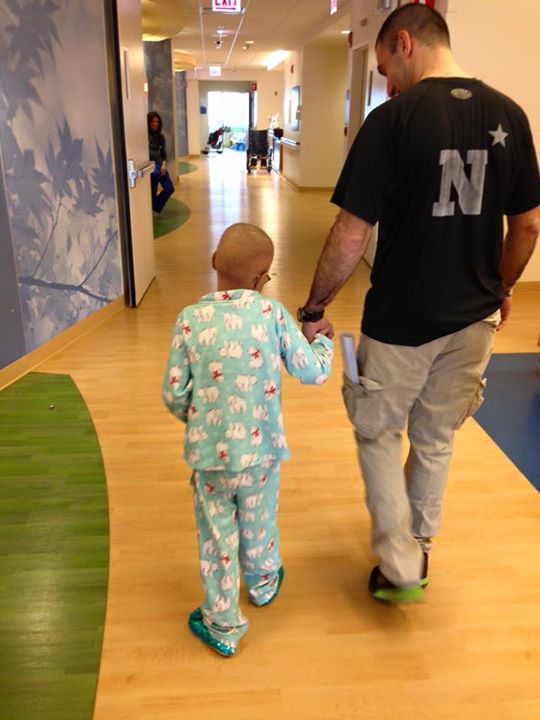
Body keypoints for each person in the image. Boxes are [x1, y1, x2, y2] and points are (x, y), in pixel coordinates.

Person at [298, 4, 540, 604]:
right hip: (475, 320)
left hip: (402, 322)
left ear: (404, 42)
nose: (385, 81)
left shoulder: (392, 121)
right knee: (435, 437)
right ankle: (418, 546)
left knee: (376, 430)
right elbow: (528, 226)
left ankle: (401, 560)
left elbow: (351, 234)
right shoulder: (511, 115)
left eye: (384, 66)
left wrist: (313, 308)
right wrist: (503, 288)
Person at [162, 223, 334, 656]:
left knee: (218, 536)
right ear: (263, 280)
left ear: (214, 262)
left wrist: (199, 419)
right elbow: (311, 372)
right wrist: (324, 345)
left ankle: (222, 623)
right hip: (261, 454)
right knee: (259, 519)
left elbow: (173, 392)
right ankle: (261, 583)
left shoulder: (189, 319)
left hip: (210, 458)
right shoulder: (271, 314)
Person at [147, 111, 175, 213]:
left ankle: (154, 205)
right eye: (152, 121)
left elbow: (163, 154)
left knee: (169, 188)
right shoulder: (143, 136)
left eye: (157, 122)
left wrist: (164, 165)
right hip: (150, 166)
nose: (155, 124)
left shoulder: (160, 137)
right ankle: (150, 204)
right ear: (148, 122)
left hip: (160, 166)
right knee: (154, 177)